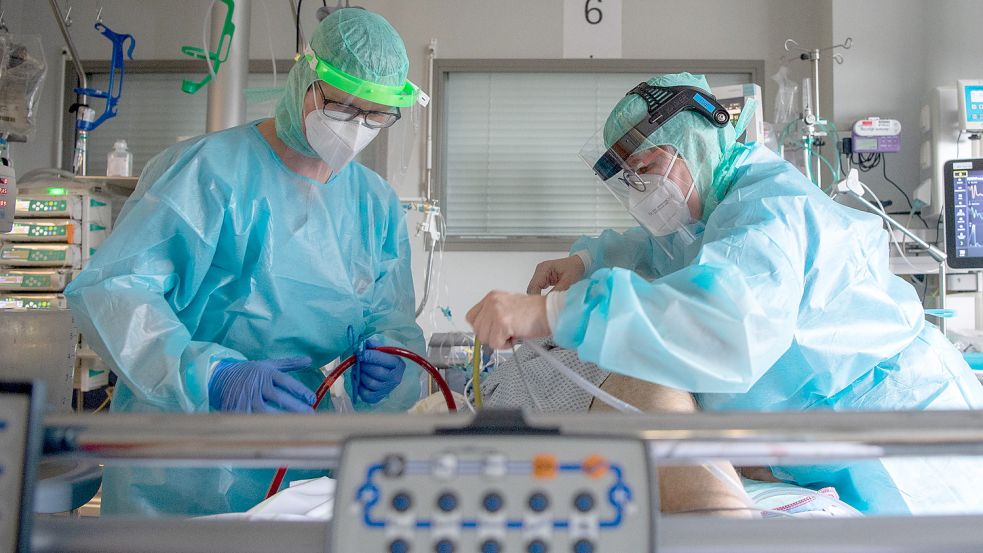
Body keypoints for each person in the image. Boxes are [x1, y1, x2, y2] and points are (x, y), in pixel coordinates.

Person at [467, 72, 983, 515]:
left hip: (901, 431)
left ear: (693, 144)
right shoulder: (710, 213)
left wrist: (554, 314)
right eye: (628, 180)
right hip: (821, 444)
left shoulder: (770, 211)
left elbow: (720, 320)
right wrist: (586, 261)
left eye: (644, 170)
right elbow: (655, 252)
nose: (638, 192)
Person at [65, 9, 427, 517]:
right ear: (305, 75)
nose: (355, 127)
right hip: (179, 468)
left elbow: (391, 317)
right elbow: (113, 292)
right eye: (342, 106)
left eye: (374, 116)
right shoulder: (208, 172)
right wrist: (209, 376)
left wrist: (391, 361)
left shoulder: (375, 204)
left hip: (301, 466)